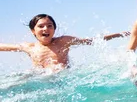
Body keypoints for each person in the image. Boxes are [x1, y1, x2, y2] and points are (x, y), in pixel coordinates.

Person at [0, 14, 129, 72]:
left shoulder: (64, 41)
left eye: (49, 26)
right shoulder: (30, 47)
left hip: (61, 77)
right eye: (41, 26)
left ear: (54, 29)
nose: (46, 29)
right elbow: (4, 47)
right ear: (33, 31)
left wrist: (118, 34)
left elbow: (91, 41)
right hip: (39, 77)